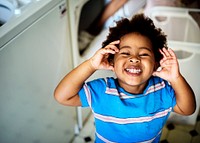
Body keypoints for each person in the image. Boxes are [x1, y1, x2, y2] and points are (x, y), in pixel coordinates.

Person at [54, 14, 196, 142]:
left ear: (155, 64)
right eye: (126, 53)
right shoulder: (101, 90)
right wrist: (91, 65)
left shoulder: (162, 89)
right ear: (112, 61)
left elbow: (188, 109)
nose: (134, 59)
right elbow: (62, 96)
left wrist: (176, 78)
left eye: (144, 54)